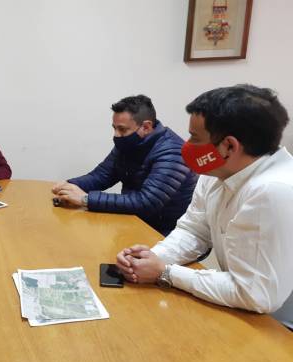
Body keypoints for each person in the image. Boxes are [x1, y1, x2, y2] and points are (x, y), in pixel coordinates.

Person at [115, 85, 293, 329]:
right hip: (241, 308)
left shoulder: (273, 190)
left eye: (195, 138)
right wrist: (152, 258)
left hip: (275, 326)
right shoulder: (216, 172)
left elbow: (255, 294)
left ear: (229, 146)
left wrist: (165, 273)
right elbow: (194, 230)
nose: (186, 145)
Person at [52, 95, 197, 236]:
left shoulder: (174, 153)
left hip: (168, 235)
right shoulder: (129, 142)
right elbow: (101, 176)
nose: (116, 135)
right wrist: (67, 186)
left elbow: (146, 202)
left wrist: (86, 199)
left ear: (146, 127)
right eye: (114, 128)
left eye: (122, 129)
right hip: (134, 222)